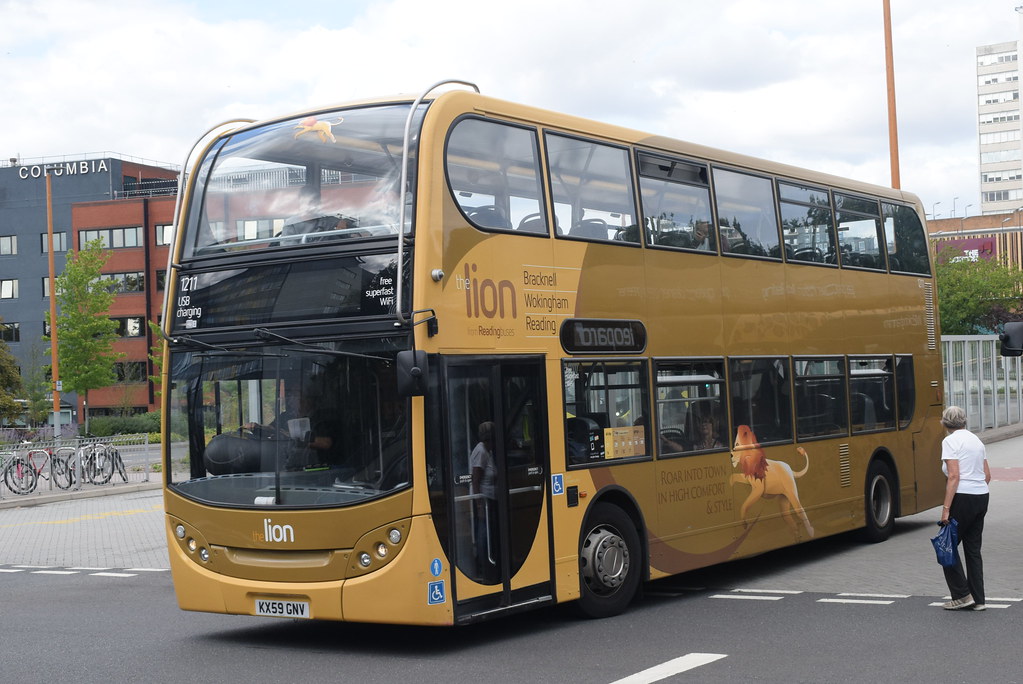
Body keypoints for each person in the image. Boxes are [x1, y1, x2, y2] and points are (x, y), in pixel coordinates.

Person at [938, 405, 991, 611]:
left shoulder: (950, 441)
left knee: (945, 546)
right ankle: (979, 599)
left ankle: (961, 595)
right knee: (973, 549)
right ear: (964, 421)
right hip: (981, 496)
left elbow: (953, 476)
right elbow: (987, 475)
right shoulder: (976, 440)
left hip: (963, 497)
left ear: (945, 423)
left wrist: (946, 508)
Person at [470, 421, 499, 581]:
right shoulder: (481, 451)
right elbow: (476, 479)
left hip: (490, 500)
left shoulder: (488, 451)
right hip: (484, 503)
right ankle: (483, 569)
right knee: (483, 536)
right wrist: (479, 505)